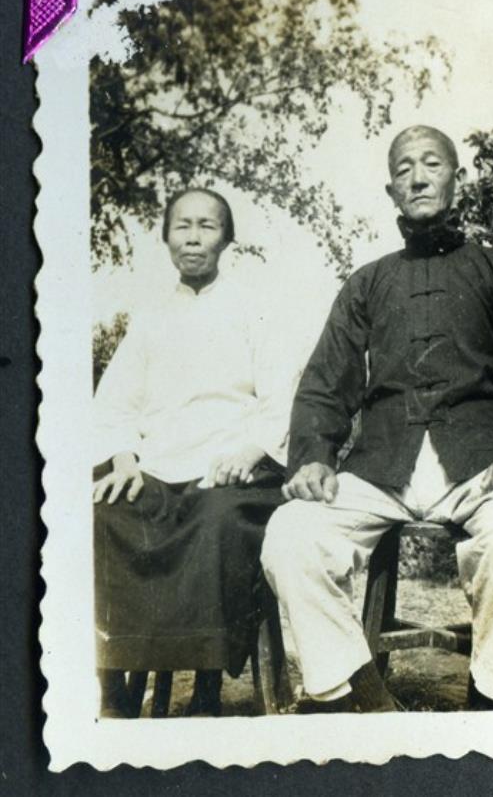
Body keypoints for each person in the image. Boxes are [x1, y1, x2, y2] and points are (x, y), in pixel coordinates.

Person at [261, 125, 493, 713]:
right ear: (391, 190)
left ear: (458, 178)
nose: (419, 177)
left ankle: (491, 700)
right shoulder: (367, 282)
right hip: (381, 471)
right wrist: (314, 458)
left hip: (480, 468)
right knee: (291, 533)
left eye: (432, 164)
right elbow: (325, 382)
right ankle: (356, 694)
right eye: (404, 169)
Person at [93, 188, 294, 717]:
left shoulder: (255, 309)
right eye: (182, 226)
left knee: (217, 521)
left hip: (231, 471)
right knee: (105, 512)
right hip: (159, 467)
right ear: (166, 237)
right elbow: (115, 403)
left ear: (226, 239)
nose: (194, 237)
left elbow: (281, 399)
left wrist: (250, 451)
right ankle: (112, 683)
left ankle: (206, 688)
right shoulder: (150, 318)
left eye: (207, 226)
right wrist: (124, 459)